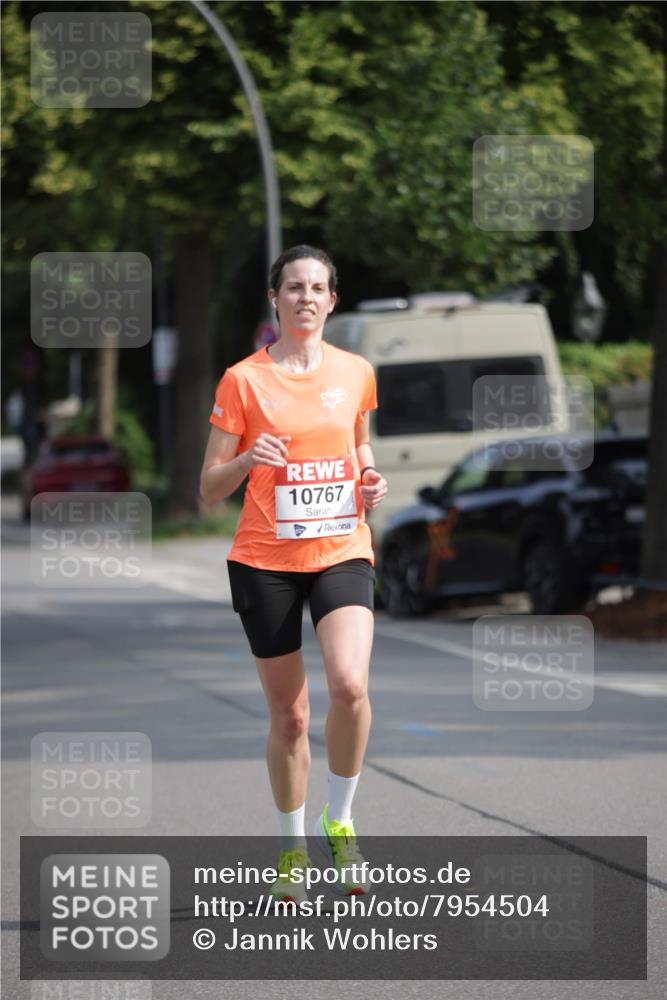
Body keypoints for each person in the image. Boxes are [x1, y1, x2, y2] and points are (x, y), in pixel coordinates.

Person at [200, 245, 387, 905]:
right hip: (264, 561)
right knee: (289, 717)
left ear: (331, 300)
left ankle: (340, 818)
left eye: (317, 287)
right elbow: (207, 490)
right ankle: (291, 847)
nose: (306, 297)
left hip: (341, 548)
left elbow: (357, 441)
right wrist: (250, 455)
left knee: (350, 685)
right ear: (275, 300)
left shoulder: (356, 371)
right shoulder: (242, 380)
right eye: (293, 287)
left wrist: (368, 477)